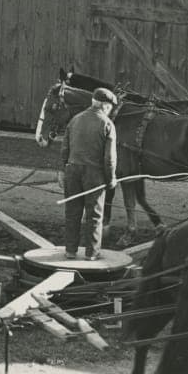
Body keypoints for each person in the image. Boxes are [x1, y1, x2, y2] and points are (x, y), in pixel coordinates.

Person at [61, 87, 119, 260]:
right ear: (104, 106)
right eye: (110, 107)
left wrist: (63, 170)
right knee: (94, 215)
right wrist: (111, 180)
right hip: (94, 175)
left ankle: (70, 251)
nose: (110, 110)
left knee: (72, 212)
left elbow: (65, 149)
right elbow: (109, 159)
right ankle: (91, 253)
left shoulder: (74, 120)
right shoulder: (107, 124)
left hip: (72, 171)